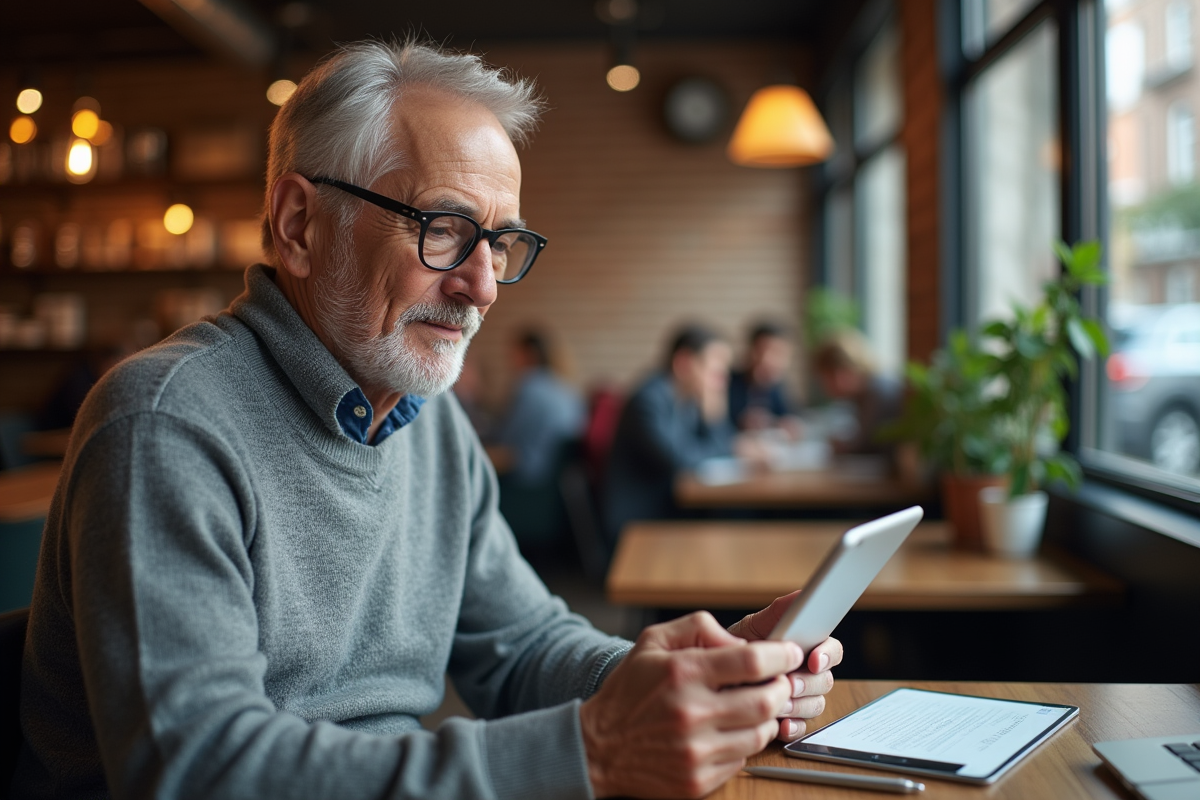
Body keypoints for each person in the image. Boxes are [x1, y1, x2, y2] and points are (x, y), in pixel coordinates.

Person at [14, 41, 843, 800]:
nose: (483, 285)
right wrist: (592, 750)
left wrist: (679, 679)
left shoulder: (431, 424)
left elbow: (521, 644)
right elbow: (198, 772)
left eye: (502, 242)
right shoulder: (166, 424)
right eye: (445, 230)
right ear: (300, 225)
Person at [603, 324, 750, 548]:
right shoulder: (648, 400)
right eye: (715, 371)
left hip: (669, 504)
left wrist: (715, 417)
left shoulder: (687, 399)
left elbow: (715, 445)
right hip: (642, 516)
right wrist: (735, 447)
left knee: (737, 516)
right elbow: (679, 459)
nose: (721, 381)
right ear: (683, 363)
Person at [493, 328, 585, 485]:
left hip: (529, 479)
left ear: (528, 354)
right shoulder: (566, 387)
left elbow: (506, 440)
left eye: (514, 353)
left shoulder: (528, 386)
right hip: (558, 483)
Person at [812, 328, 904, 458]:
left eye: (825, 378)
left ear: (839, 374)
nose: (824, 386)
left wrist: (842, 446)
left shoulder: (878, 392)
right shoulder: (866, 392)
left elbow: (867, 446)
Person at [728, 320, 802, 434]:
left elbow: (789, 417)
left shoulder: (778, 387)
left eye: (780, 354)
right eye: (764, 351)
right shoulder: (727, 383)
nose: (770, 360)